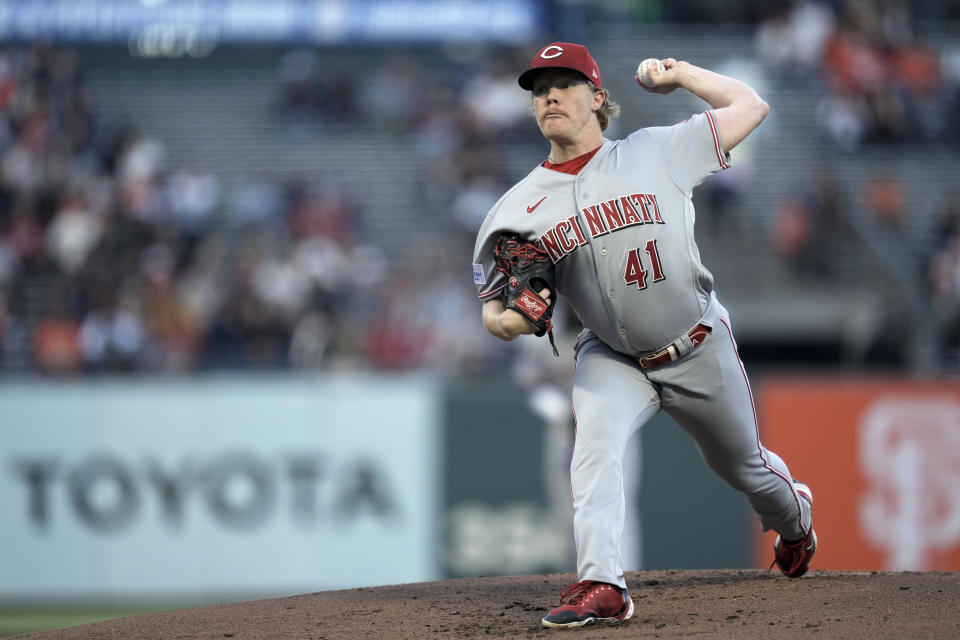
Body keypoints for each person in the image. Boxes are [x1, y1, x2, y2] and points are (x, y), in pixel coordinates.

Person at [471, 42, 816, 629]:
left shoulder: (658, 150)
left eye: (566, 83)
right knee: (593, 452)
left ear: (598, 99)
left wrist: (679, 75)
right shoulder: (518, 207)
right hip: (611, 356)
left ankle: (796, 521)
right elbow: (493, 314)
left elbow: (751, 105)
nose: (550, 95)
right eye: (539, 88)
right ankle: (603, 583)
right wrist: (517, 319)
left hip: (697, 342)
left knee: (746, 469)